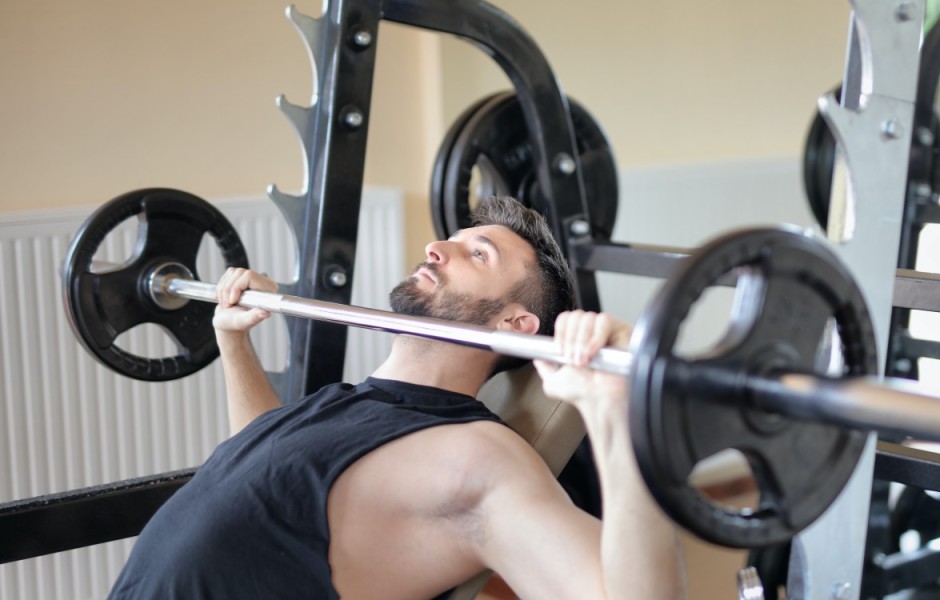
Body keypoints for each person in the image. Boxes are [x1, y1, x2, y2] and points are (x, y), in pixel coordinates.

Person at [108, 196, 687, 599]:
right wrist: (232, 342)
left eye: (478, 254)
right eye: (453, 241)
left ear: (516, 321)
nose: (437, 247)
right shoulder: (351, 402)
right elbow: (261, 474)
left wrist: (618, 409)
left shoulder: (479, 458)